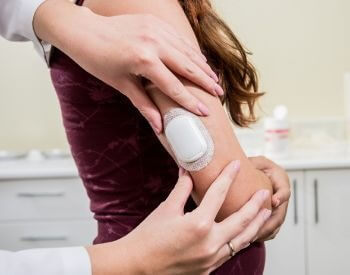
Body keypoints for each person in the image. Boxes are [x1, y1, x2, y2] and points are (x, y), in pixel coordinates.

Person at [0, 0, 290, 274]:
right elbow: (241, 202)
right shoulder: (136, 5)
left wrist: (251, 171)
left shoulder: (76, 12)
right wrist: (266, 186)